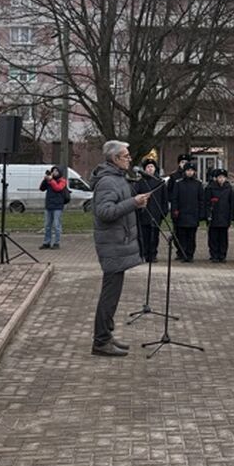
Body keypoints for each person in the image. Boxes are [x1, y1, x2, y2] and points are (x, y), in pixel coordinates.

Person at [90, 141, 149, 357]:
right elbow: (105, 212)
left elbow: (120, 206)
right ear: (114, 159)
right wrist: (133, 202)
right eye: (125, 155)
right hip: (112, 245)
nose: (129, 158)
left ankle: (106, 335)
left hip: (118, 244)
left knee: (112, 295)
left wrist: (136, 203)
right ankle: (101, 341)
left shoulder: (118, 178)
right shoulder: (107, 182)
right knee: (109, 295)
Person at [169, 161, 205, 261]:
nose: (190, 172)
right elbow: (174, 199)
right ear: (184, 171)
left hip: (193, 214)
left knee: (191, 237)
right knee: (182, 236)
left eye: (191, 170)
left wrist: (201, 214)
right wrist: (174, 211)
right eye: (188, 170)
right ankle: (183, 254)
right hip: (181, 214)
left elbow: (201, 200)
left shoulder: (198, 184)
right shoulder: (179, 183)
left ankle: (190, 254)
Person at [134, 158, 167, 263]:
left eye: (152, 167)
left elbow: (164, 199)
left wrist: (164, 212)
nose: (150, 169)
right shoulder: (140, 183)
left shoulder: (160, 183)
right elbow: (135, 196)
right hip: (144, 213)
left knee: (154, 235)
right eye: (148, 167)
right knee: (144, 235)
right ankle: (144, 254)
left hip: (156, 213)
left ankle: (153, 254)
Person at [206, 166, 233, 262]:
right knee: (213, 238)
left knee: (223, 238)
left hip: (224, 216)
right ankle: (214, 255)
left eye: (223, 177)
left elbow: (231, 203)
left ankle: (222, 255)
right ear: (216, 178)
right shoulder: (210, 188)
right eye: (219, 177)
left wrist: (230, 217)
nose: (221, 179)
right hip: (214, 216)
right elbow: (207, 202)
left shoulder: (228, 188)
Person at [39, 165, 69, 249]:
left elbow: (58, 188)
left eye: (56, 171)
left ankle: (57, 242)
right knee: (47, 225)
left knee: (56, 225)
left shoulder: (62, 181)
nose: (54, 172)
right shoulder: (49, 181)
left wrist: (51, 180)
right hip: (49, 205)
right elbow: (41, 188)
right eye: (53, 171)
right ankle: (46, 242)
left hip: (58, 206)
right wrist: (45, 180)